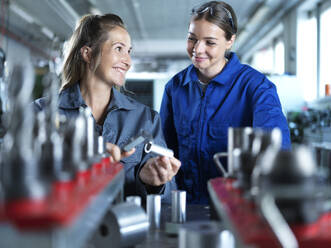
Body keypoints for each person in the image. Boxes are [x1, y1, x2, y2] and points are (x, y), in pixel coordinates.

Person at [34, 14, 181, 202]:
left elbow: (168, 199)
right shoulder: (41, 114)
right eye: (119, 49)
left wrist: (153, 182)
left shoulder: (146, 119)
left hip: (125, 228)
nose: (128, 61)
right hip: (60, 228)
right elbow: (15, 182)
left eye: (129, 51)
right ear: (88, 54)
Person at [160, 1, 290, 204]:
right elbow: (165, 150)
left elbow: (275, 153)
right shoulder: (175, 88)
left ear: (230, 40)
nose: (197, 49)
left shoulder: (256, 88)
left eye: (209, 42)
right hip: (186, 206)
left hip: (238, 207)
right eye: (191, 39)